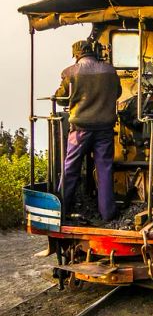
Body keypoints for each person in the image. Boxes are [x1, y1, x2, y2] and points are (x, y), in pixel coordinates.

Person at [56, 40, 121, 222]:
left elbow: (61, 98)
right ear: (93, 52)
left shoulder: (70, 72)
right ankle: (107, 214)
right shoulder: (110, 71)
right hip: (105, 128)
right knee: (105, 169)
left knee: (70, 168)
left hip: (80, 129)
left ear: (77, 54)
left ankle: (60, 210)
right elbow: (118, 92)